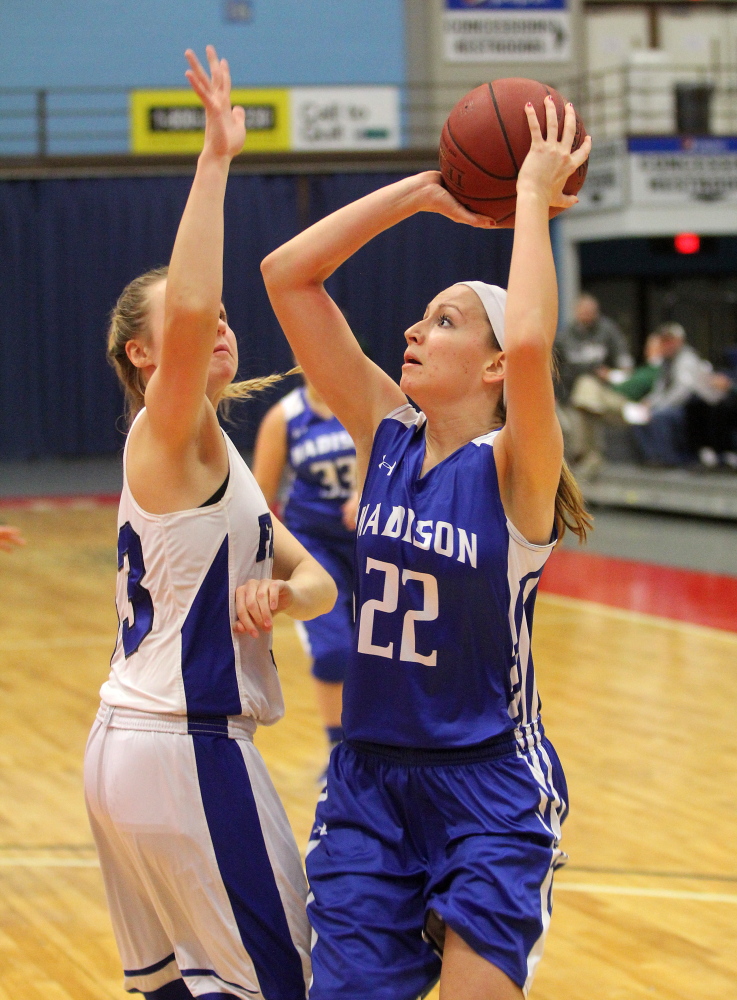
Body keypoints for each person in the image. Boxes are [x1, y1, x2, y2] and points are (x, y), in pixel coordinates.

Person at [262, 98, 592, 1000]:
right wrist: (420, 193)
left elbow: (529, 336)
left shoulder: (515, 470)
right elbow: (287, 276)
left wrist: (528, 194)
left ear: (493, 371)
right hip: (368, 781)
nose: (413, 330)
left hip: (487, 786)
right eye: (420, 317)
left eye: (444, 322)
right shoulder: (386, 434)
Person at [84, 48, 336, 1000]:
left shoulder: (217, 460)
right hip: (183, 748)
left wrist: (284, 590)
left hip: (131, 745)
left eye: (231, 318)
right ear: (142, 355)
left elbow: (319, 577)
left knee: (176, 991)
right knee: (282, 985)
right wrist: (217, 157)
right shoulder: (168, 430)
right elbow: (188, 304)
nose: (217, 325)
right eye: (196, 326)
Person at [253, 377, 356, 763]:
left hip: (369, 542)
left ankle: (377, 748)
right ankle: (338, 752)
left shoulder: (364, 403)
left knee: (380, 655)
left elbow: (398, 464)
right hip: (314, 545)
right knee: (333, 650)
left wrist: (367, 492)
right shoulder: (284, 417)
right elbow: (260, 497)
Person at [555, 293, 633, 473]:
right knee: (583, 404)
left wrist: (612, 373)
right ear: (576, 312)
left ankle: (582, 453)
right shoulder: (565, 337)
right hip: (572, 396)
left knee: (587, 390)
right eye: (583, 311)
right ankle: (588, 456)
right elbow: (557, 370)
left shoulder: (608, 331)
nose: (587, 315)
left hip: (606, 392)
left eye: (591, 311)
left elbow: (625, 365)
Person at [631, 322, 719, 467]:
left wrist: (658, 407)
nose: (667, 345)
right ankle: (653, 457)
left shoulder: (687, 358)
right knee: (639, 416)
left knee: (660, 416)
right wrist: (648, 402)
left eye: (670, 341)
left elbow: (682, 391)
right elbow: (659, 389)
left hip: (691, 408)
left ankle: (669, 458)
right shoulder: (666, 361)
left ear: (679, 341)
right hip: (671, 404)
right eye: (664, 341)